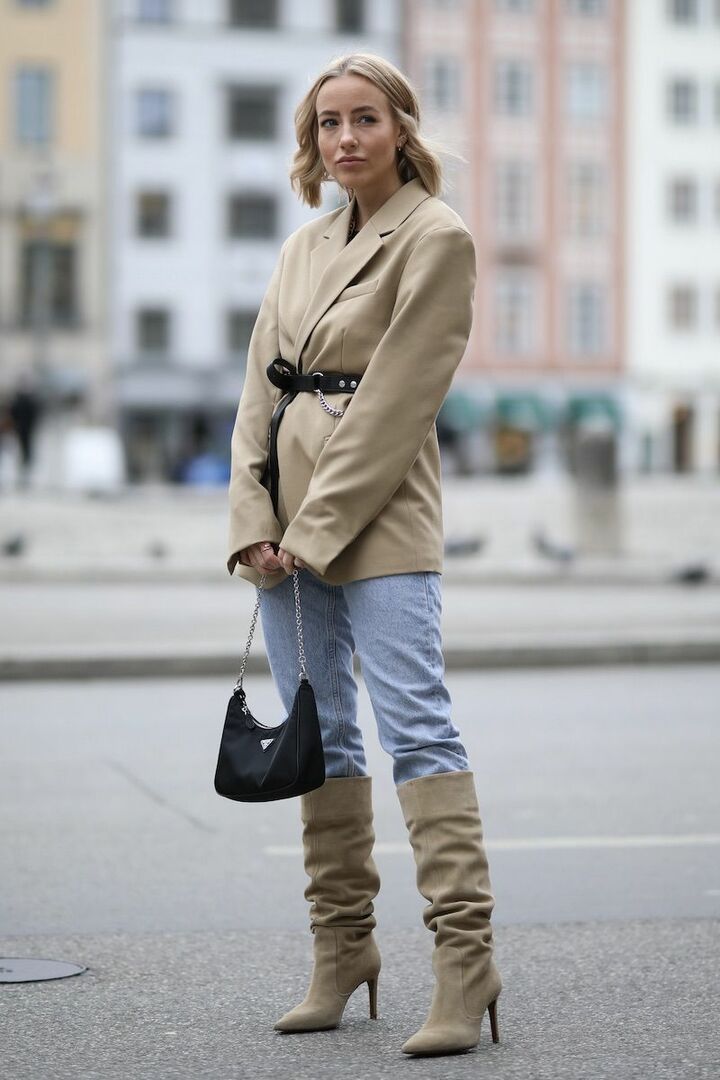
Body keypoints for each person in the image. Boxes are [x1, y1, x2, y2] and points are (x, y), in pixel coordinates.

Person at [226, 52, 501, 1058]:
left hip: (379, 513)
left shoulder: (437, 236)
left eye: (365, 119)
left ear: (401, 129)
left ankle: (466, 964)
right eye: (328, 122)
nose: (345, 137)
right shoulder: (302, 246)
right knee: (322, 737)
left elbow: (395, 405)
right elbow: (259, 389)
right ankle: (342, 950)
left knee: (416, 730)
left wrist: (310, 530)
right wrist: (251, 520)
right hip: (284, 527)